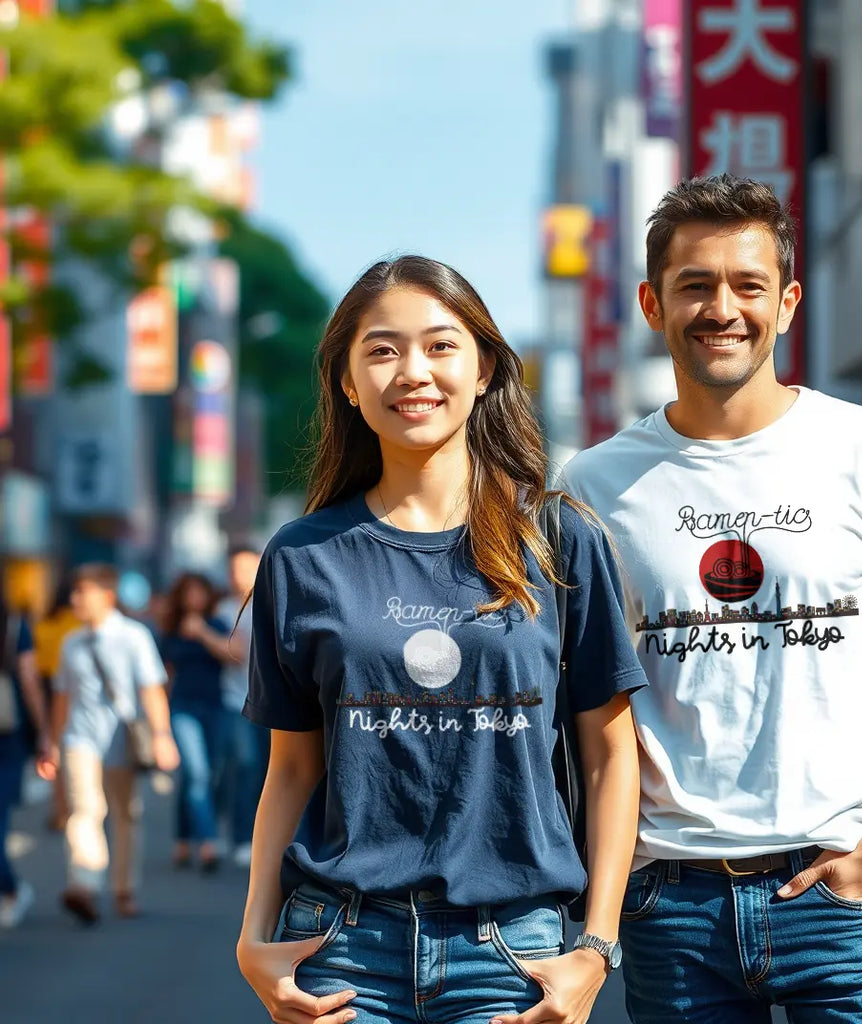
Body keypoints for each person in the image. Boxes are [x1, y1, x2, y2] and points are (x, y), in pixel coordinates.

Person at [559, 173, 862, 1022]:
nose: (722, 308)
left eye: (747, 285)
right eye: (695, 285)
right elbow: (589, 707)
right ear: (653, 304)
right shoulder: (593, 485)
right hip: (673, 905)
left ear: (787, 302)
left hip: (847, 895)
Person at [236, 255, 646, 1024]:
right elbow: (291, 768)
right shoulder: (302, 554)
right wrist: (252, 936)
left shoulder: (557, 537)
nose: (412, 371)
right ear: (349, 385)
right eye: (382, 350)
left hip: (511, 952)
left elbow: (611, 754)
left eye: (440, 345)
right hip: (340, 947)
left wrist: (596, 946)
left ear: (485, 367)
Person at [51, 563, 179, 923]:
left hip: (124, 738)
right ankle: (84, 884)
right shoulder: (70, 641)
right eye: (74, 591)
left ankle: (124, 888)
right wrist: (52, 741)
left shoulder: (133, 636)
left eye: (83, 592)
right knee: (85, 810)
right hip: (80, 738)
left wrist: (162, 736)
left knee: (126, 814)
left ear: (106, 596)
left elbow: (151, 689)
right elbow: (61, 696)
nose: (75, 598)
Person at [160, 571, 230, 871]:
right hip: (182, 708)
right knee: (198, 773)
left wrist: (201, 632)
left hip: (214, 707)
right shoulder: (170, 631)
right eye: (188, 592)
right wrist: (159, 724)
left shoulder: (216, 624)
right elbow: (164, 676)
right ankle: (208, 842)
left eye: (199, 591)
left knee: (203, 775)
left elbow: (232, 654)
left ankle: (182, 839)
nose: (194, 598)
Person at [0, 584, 50, 928]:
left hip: (9, 739)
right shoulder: (16, 626)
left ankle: (13, 889)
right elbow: (29, 680)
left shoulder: (14, 627)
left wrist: (45, 734)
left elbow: (30, 680)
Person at [215, 544, 268, 868]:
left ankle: (262, 838)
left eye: (246, 569)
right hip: (235, 701)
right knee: (244, 768)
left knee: (265, 772)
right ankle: (240, 837)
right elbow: (233, 653)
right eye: (234, 570)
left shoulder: (272, 604)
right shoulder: (221, 611)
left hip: (271, 703)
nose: (239, 577)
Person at [33, 576, 79, 832]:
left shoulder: (43, 626)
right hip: (75, 692)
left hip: (49, 691)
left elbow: (36, 664)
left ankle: (58, 808)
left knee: (54, 748)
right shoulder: (78, 626)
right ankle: (71, 805)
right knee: (74, 747)